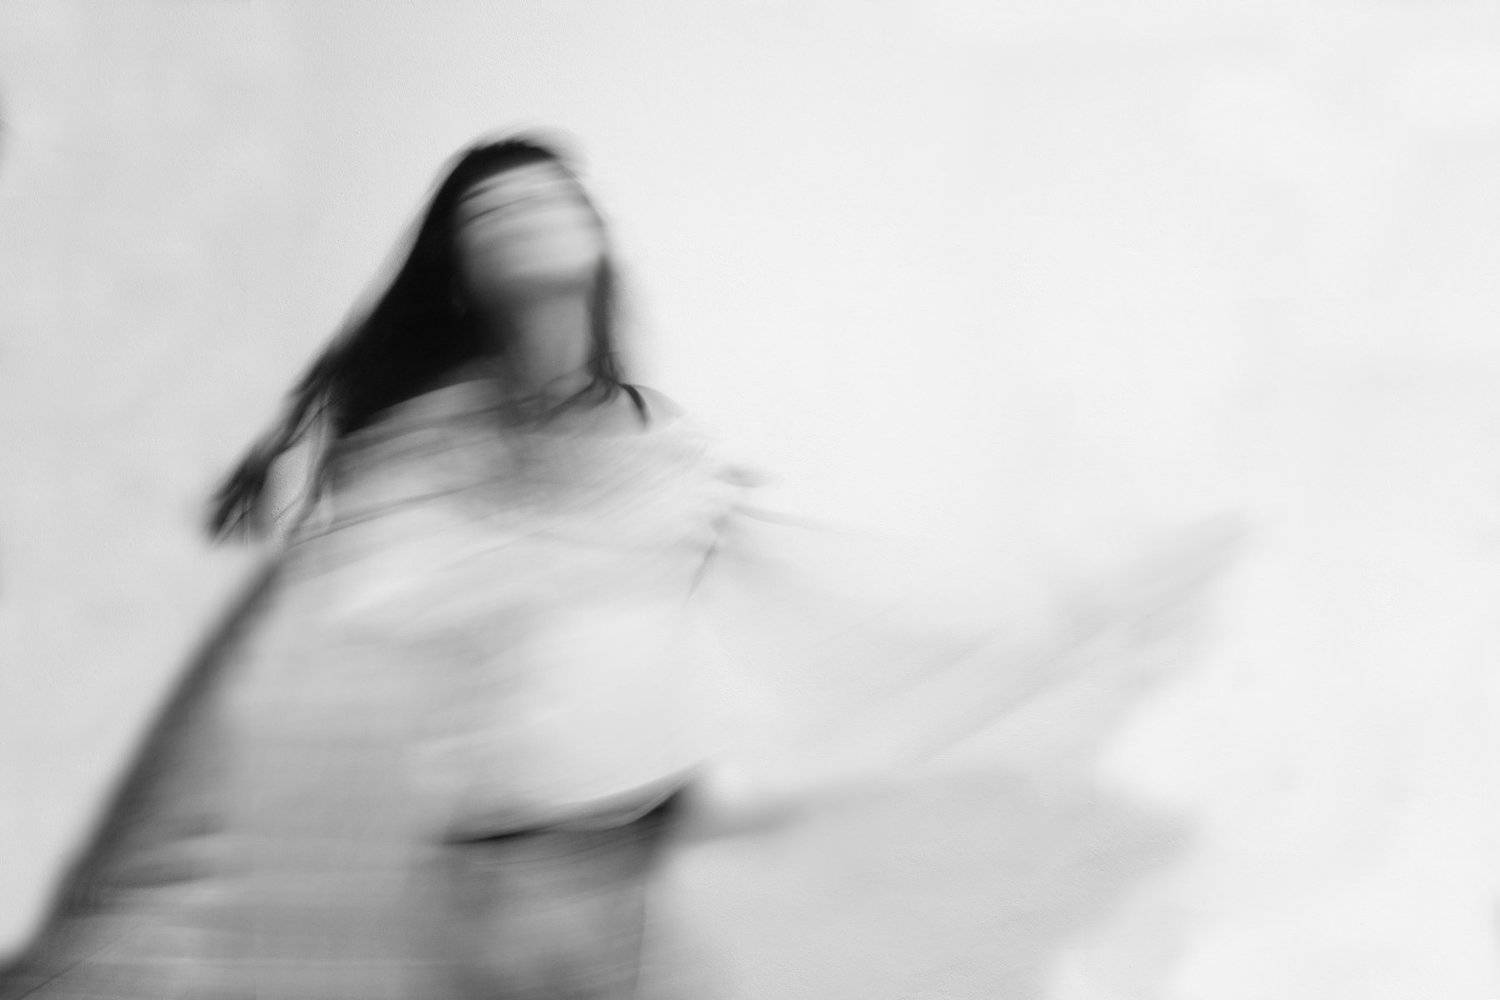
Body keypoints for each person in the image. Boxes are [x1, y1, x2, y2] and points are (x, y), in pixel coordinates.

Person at [0, 133, 1241, 1000]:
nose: (531, 217)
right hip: (486, 870)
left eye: (555, 197)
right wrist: (556, 530)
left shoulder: (655, 445)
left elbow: (818, 586)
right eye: (496, 210)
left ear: (598, 237)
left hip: (618, 863)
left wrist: (1046, 621)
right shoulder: (428, 447)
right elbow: (367, 609)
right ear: (462, 266)